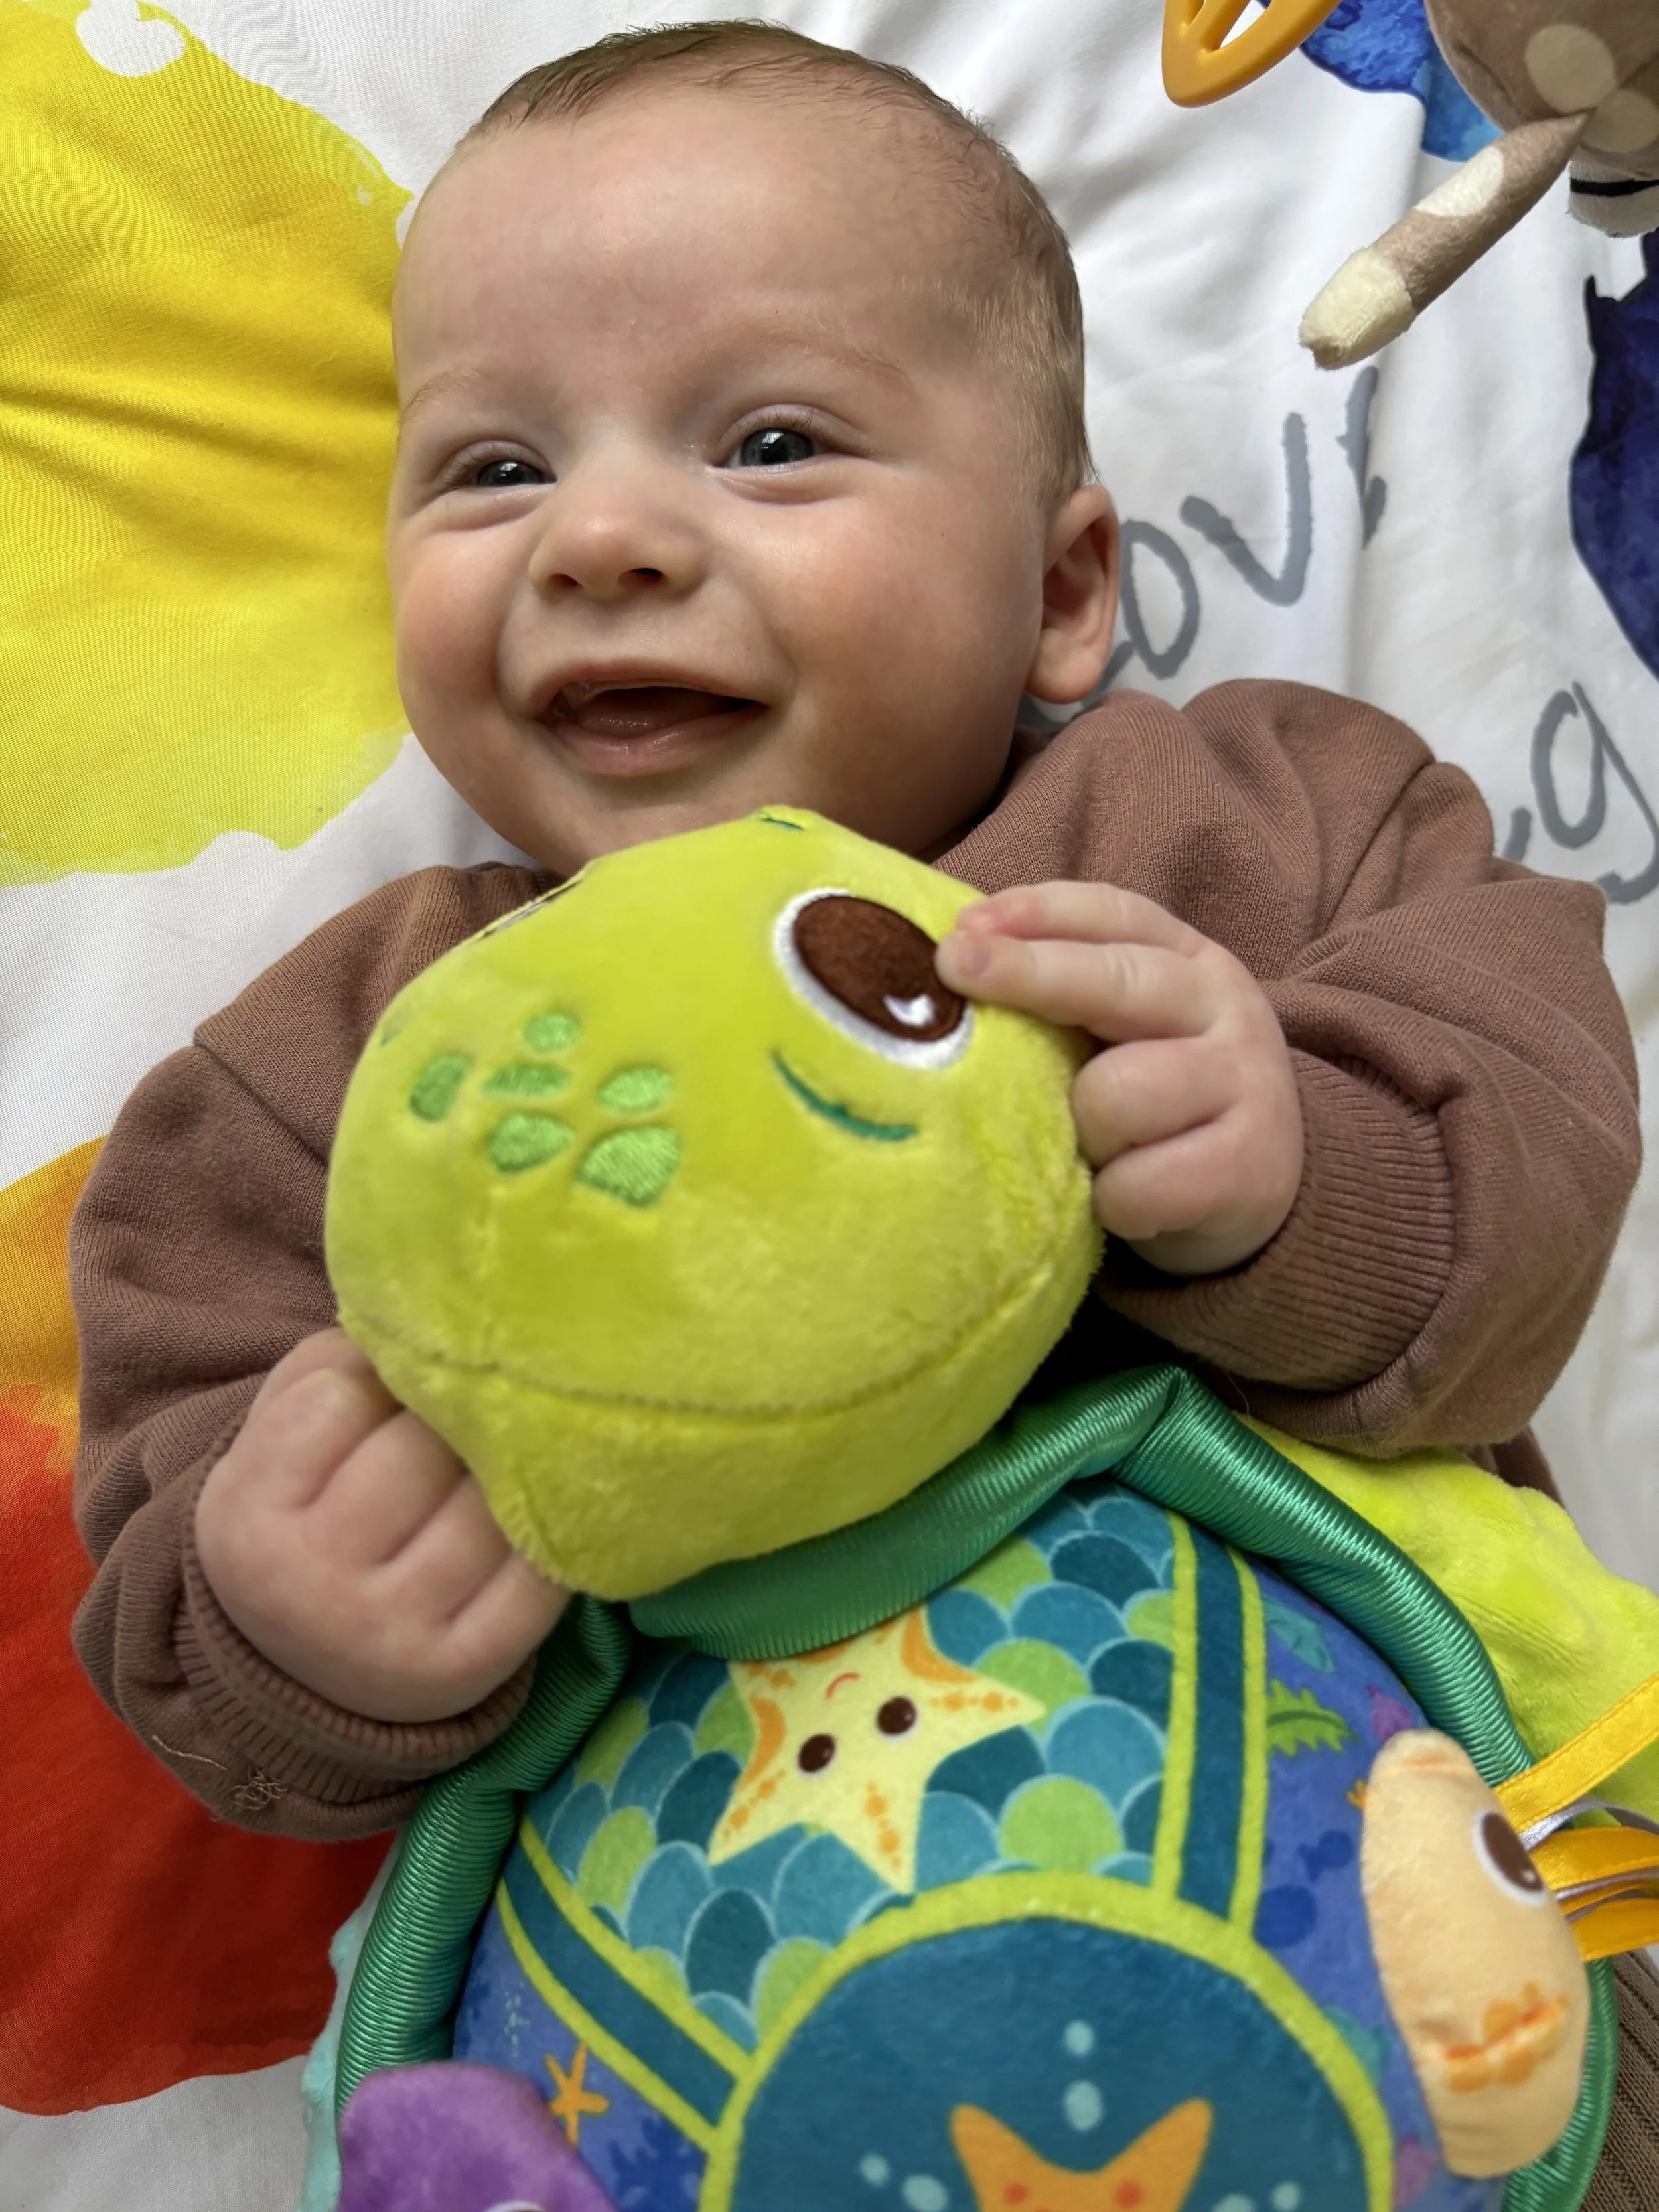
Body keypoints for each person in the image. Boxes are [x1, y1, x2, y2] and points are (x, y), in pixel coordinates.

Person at [72, 22, 1638, 1838]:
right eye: (493, 469)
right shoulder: (366, 1050)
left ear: (1057, 594)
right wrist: (284, 1622)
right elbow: (177, 1553)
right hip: (697, 2022)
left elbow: (1543, 1154)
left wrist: (1300, 1169)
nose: (599, 537)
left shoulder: (1253, 826)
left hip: (1399, 1904)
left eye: (767, 441)